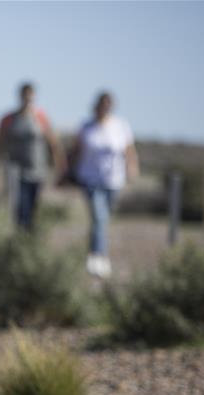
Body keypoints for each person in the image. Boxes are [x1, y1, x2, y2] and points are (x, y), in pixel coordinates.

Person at [72, 91, 139, 278]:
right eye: (102, 104)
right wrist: (68, 172)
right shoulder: (86, 127)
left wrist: (132, 169)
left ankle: (96, 253)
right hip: (90, 179)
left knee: (102, 219)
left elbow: (129, 151)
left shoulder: (121, 126)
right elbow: (76, 151)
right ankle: (98, 256)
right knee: (99, 217)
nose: (104, 108)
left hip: (113, 180)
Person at [0, 82, 66, 230]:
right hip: (15, 170)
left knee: (33, 207)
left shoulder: (41, 117)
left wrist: (59, 167)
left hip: (37, 170)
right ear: (19, 96)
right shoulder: (8, 119)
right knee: (19, 205)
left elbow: (53, 144)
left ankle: (29, 239)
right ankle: (20, 237)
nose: (27, 99)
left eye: (30, 96)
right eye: (24, 95)